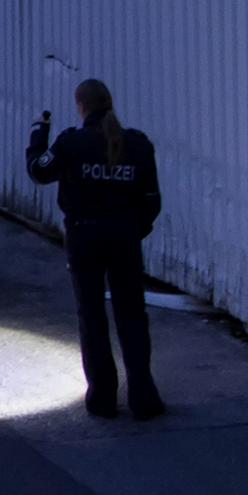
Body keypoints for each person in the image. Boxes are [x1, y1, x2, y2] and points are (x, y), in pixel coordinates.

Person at [27, 79, 165, 421]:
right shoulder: (138, 145)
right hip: (124, 236)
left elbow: (38, 171)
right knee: (132, 315)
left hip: (84, 236)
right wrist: (135, 230)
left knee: (91, 315)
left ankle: (103, 398)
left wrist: (38, 133)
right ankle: (143, 398)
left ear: (81, 107)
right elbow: (152, 201)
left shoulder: (71, 143)